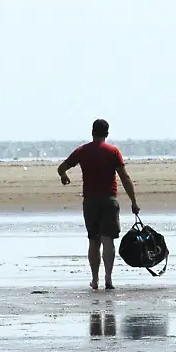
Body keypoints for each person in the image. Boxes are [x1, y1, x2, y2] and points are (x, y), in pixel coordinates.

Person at [56, 119, 139, 291]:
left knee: (93, 240)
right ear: (107, 134)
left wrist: (64, 176)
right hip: (109, 200)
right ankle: (108, 279)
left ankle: (95, 280)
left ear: (92, 132)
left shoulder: (82, 151)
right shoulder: (113, 152)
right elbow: (125, 178)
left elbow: (61, 168)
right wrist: (133, 201)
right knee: (108, 240)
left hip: (90, 201)